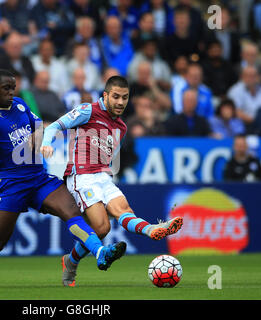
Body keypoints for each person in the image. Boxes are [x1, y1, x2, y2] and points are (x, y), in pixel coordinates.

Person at [0, 69, 127, 287]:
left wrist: (38, 137)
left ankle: (100, 252)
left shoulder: (20, 104)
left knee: (70, 210)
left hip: (38, 178)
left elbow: (39, 125)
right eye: (6, 88)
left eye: (13, 88)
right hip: (12, 184)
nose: (11, 92)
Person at [40, 75, 183, 287]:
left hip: (103, 177)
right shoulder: (88, 110)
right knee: (102, 227)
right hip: (81, 176)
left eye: (125, 98)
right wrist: (46, 143)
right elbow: (54, 127)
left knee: (123, 210)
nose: (120, 102)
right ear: (105, 95)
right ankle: (71, 262)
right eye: (116, 96)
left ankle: (152, 230)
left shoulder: (122, 127)